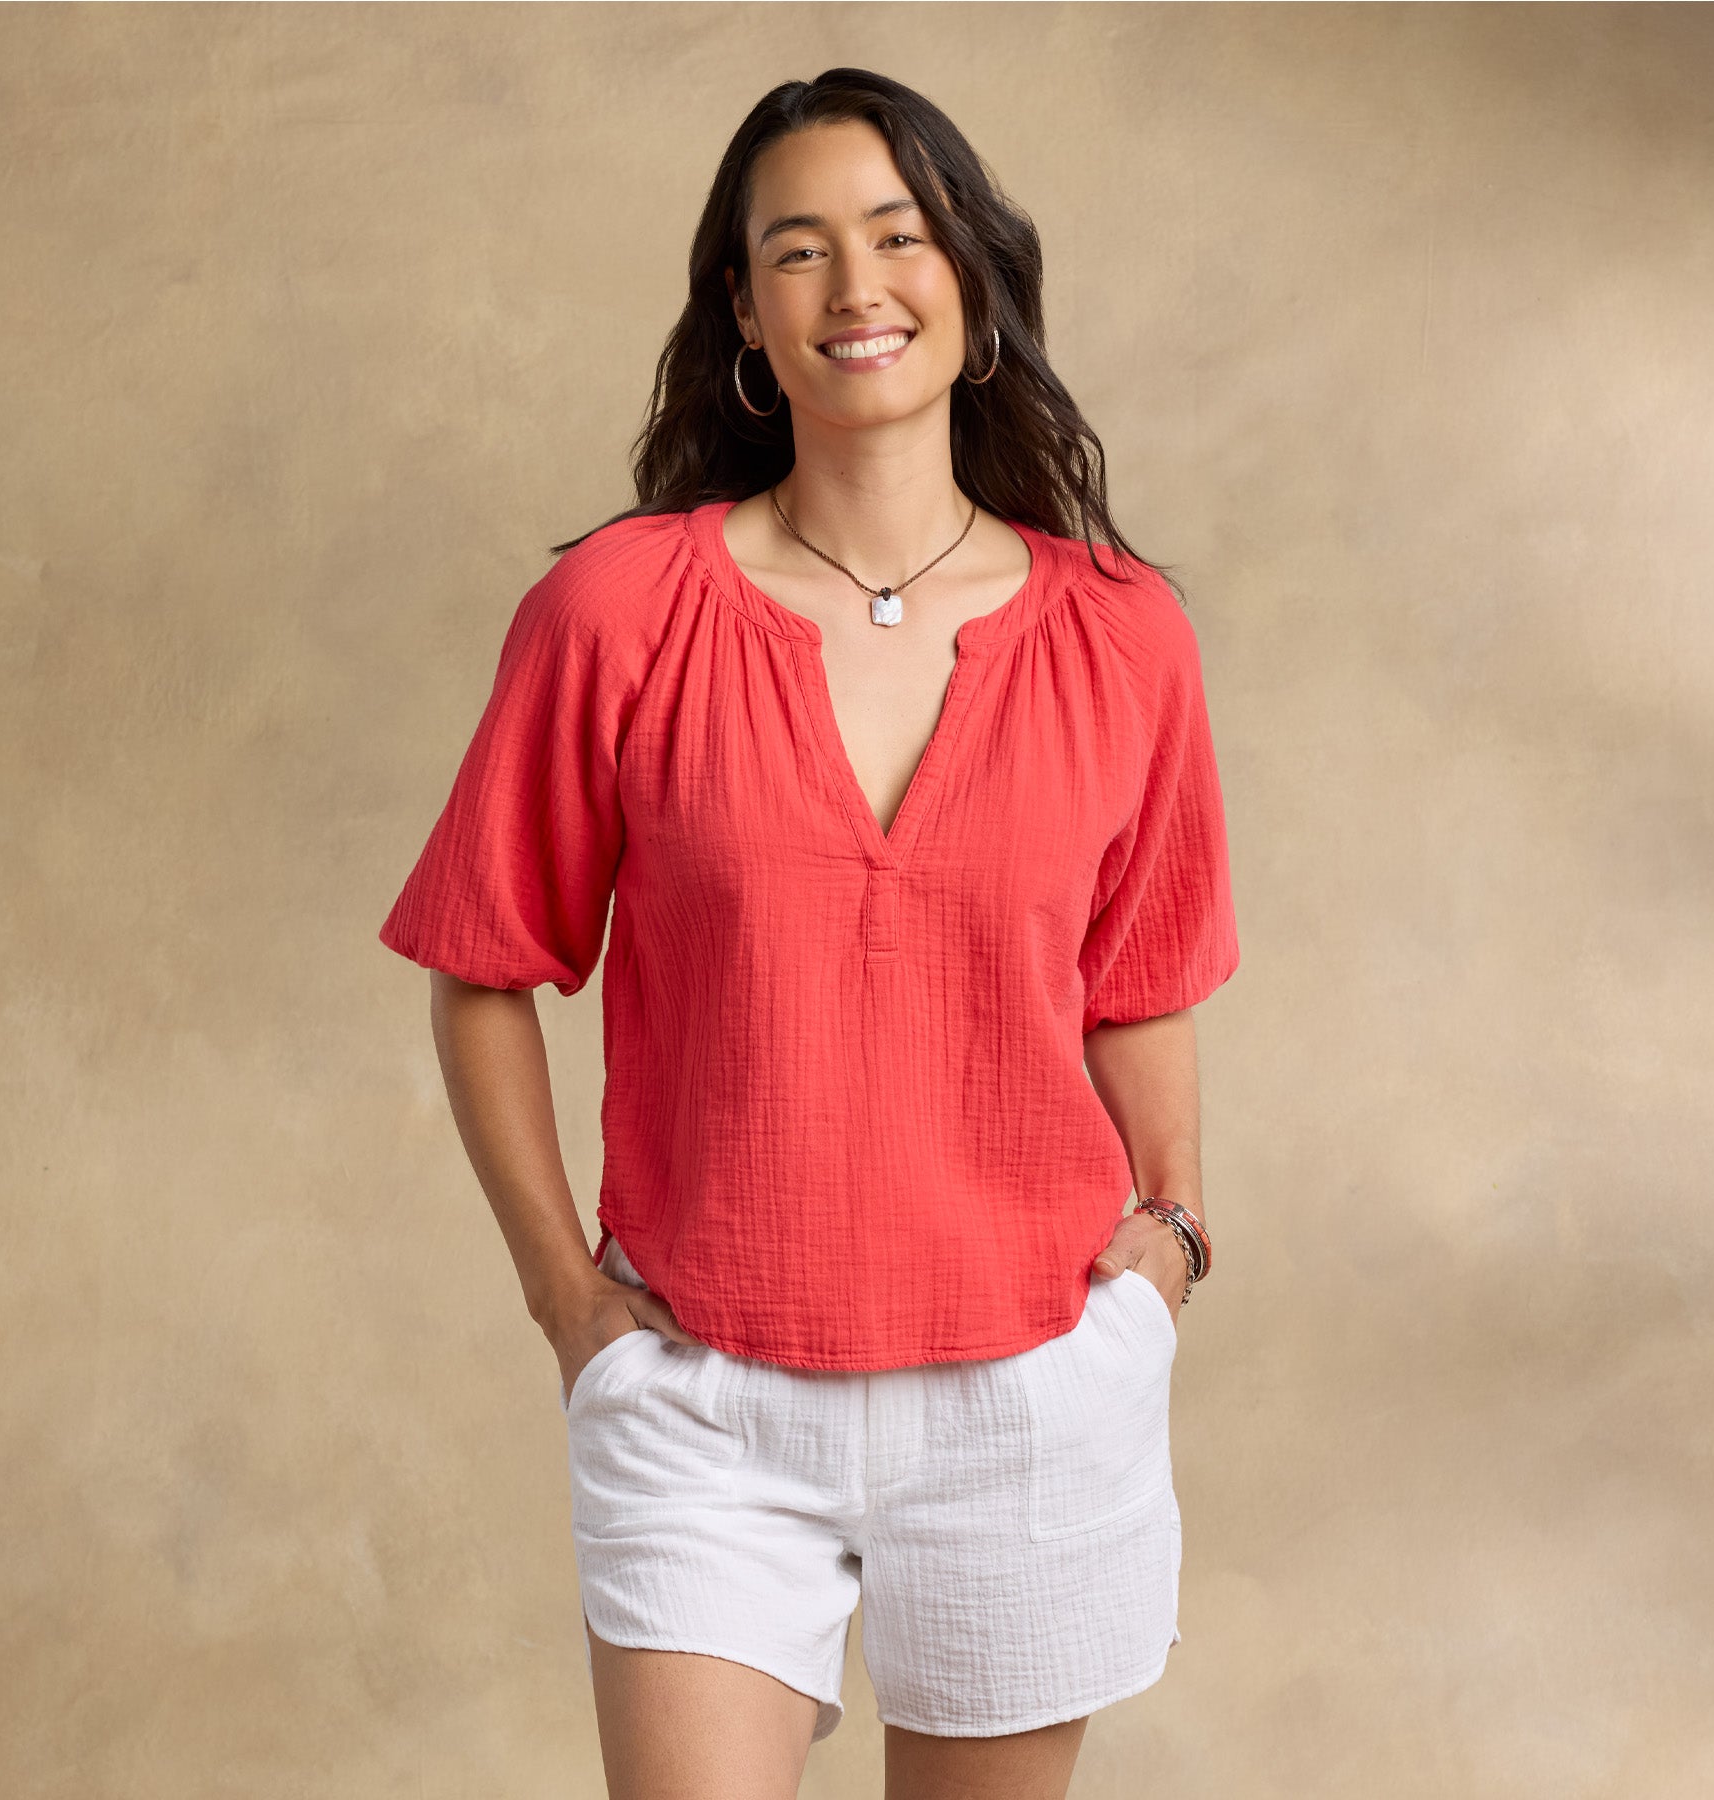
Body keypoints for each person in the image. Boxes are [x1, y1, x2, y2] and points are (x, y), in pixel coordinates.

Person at [378, 67, 1239, 1800]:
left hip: (1031, 1390)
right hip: (705, 1397)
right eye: (800, 249)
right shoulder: (618, 614)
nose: (859, 286)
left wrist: (1169, 1245)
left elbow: (1140, 984)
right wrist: (564, 1299)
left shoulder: (1122, 635)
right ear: (745, 316)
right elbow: (481, 967)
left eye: (901, 236)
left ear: (972, 281)